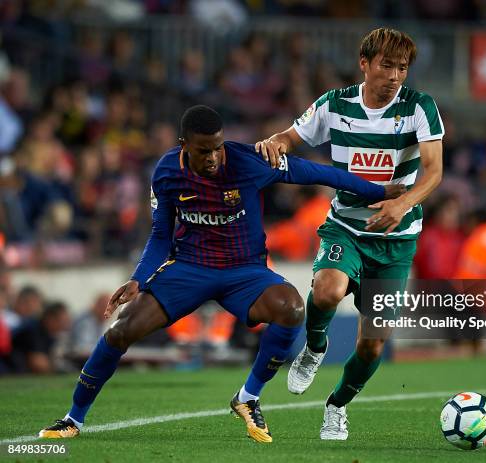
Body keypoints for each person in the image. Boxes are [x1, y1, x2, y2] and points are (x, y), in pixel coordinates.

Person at [39, 105, 404, 443]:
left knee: (292, 308)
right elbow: (161, 234)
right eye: (204, 151)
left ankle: (248, 398)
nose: (213, 157)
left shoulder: (248, 161)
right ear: (185, 145)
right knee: (120, 332)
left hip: (244, 272)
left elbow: (317, 173)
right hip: (190, 268)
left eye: (217, 148)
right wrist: (138, 278)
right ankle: (73, 418)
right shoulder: (167, 172)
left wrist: (378, 191)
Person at [256, 28, 444, 439]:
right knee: (326, 291)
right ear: (365, 63)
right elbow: (291, 137)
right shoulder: (335, 105)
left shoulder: (420, 108)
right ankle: (315, 347)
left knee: (372, 343)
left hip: (396, 241)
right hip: (346, 227)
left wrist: (402, 203)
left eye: (402, 67)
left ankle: (336, 406)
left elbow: (434, 171)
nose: (395, 75)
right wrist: (275, 142)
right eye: (387, 65)